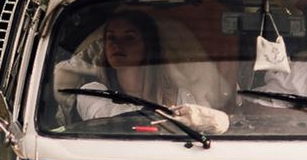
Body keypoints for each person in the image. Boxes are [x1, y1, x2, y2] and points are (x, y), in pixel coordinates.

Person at [63, 8, 230, 135]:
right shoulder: (92, 93)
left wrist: (217, 120)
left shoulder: (181, 95)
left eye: (129, 38)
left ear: (148, 46)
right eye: (111, 37)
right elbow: (115, 121)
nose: (116, 45)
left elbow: (200, 126)